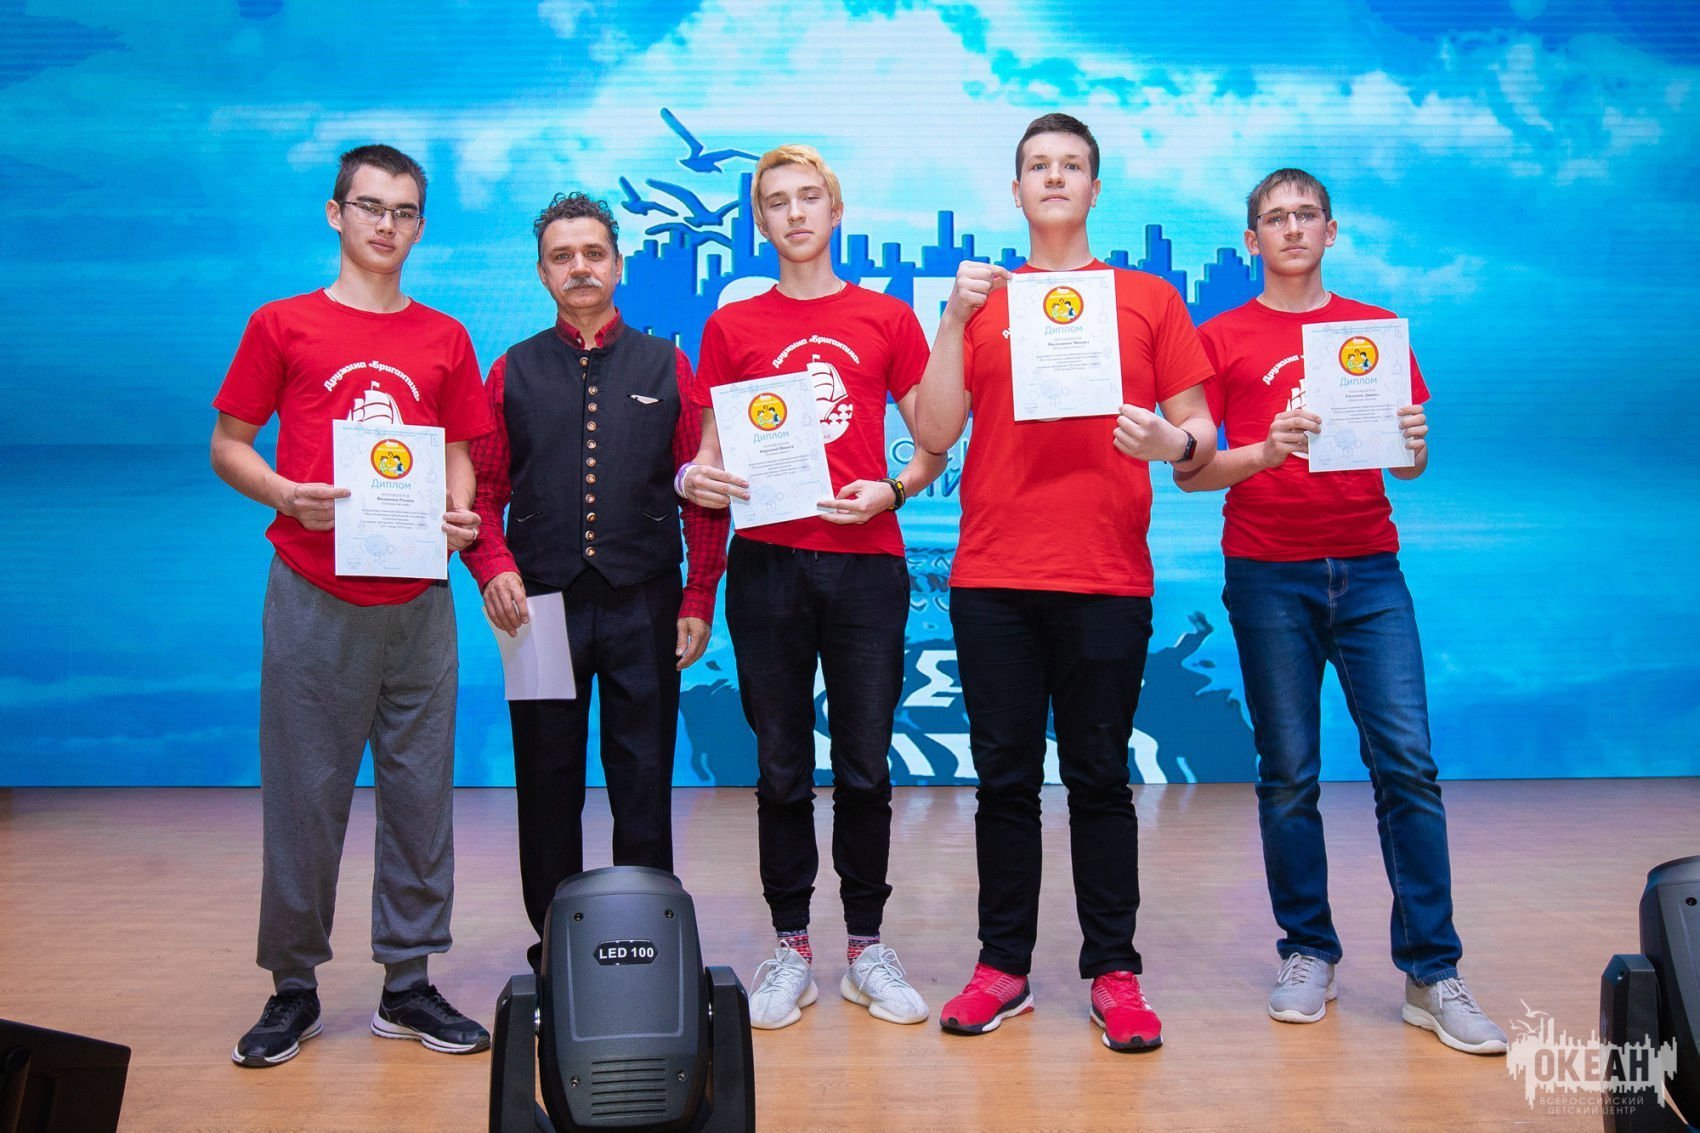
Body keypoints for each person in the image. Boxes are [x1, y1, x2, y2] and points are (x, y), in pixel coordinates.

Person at [1180, 167, 1507, 1055]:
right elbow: (1192, 471)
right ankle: (1307, 950)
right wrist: (1264, 448)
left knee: (1409, 766)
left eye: (1306, 215)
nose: (1291, 228)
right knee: (1288, 773)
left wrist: (1414, 448)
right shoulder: (1220, 338)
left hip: (1369, 572)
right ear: (1251, 240)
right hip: (1266, 574)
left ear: (1332, 231)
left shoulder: (1374, 331)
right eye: (1274, 218)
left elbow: (1407, 464)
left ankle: (1432, 971)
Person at [912, 113, 1216, 1052]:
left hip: (1106, 574)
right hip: (995, 574)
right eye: (1038, 165)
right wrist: (952, 320)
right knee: (1003, 781)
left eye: (1071, 165)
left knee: (1100, 780)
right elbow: (934, 432)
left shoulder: (1149, 299)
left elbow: (1200, 435)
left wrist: (1171, 441)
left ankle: (1114, 972)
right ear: (1015, 191)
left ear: (1095, 188)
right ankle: (1002, 968)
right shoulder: (979, 301)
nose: (1054, 177)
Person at [212, 144, 494, 1068]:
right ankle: (292, 987)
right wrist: (283, 493)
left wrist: (459, 515)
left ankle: (407, 984)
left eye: (404, 211)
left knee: (421, 796)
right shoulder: (281, 324)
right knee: (305, 794)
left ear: (421, 227)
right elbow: (229, 444)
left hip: (419, 597)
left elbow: (460, 454)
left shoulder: (445, 337)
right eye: (370, 206)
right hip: (314, 590)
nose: (386, 225)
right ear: (336, 214)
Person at [681, 145, 945, 1030]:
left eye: (809, 197)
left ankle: (866, 948)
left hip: (867, 563)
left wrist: (895, 490)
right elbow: (711, 453)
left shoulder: (887, 316)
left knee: (866, 764)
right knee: (781, 764)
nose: (794, 213)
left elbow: (935, 440)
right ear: (759, 221)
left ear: (836, 210)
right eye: (776, 201)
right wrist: (698, 478)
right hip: (767, 563)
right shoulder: (733, 327)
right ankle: (790, 946)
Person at [462, 192, 729, 972]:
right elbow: (482, 490)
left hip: (644, 599)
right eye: (562, 256)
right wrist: (494, 567)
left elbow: (703, 489)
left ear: (617, 264)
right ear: (542, 272)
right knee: (545, 778)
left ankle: (648, 942)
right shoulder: (509, 370)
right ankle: (556, 947)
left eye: (593, 253)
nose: (579, 267)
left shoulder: (667, 365)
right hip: (538, 608)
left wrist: (699, 595)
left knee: (643, 774)